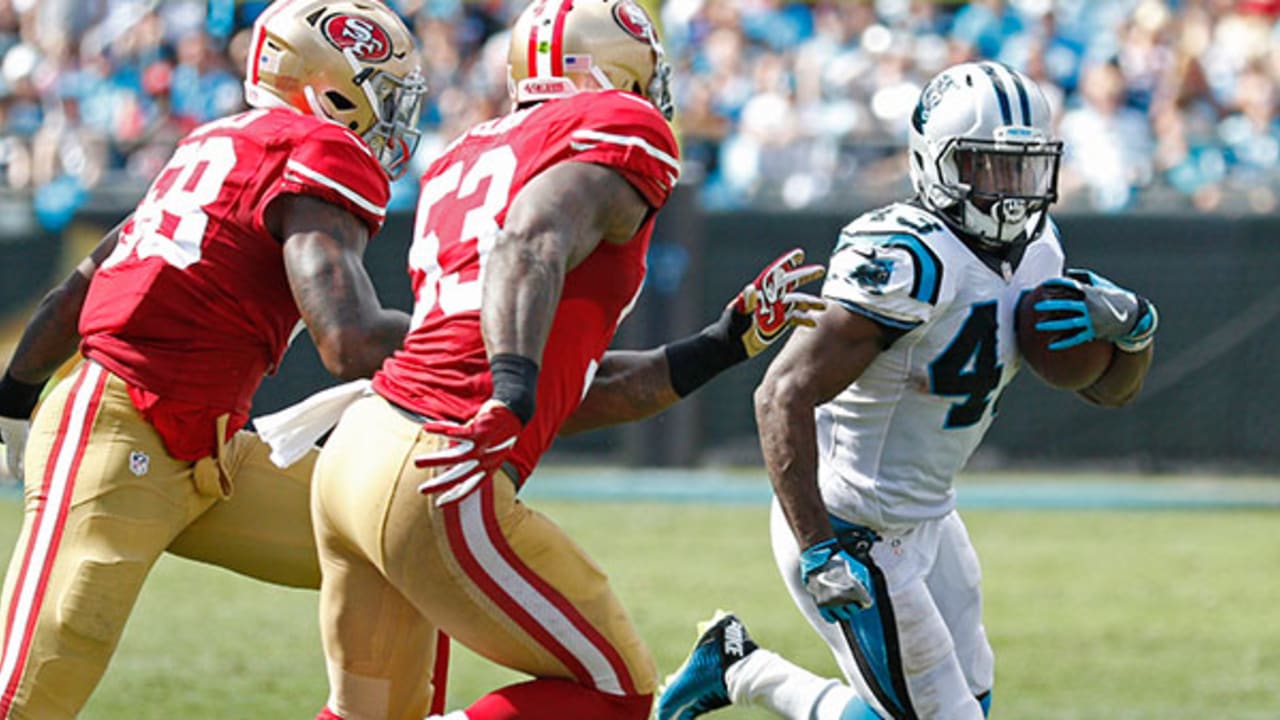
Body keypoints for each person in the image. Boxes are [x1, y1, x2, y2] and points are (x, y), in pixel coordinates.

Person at [303, 2, 823, 719]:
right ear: (610, 69)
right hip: (440, 462)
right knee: (616, 696)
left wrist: (724, 344)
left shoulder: (465, 152)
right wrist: (511, 392)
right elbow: (528, 241)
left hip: (359, 454)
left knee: (369, 710)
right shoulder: (616, 122)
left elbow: (582, 386)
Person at [657, 61, 1159, 720]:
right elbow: (780, 394)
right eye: (985, 166)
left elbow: (1111, 394)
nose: (1009, 191)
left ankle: (737, 666)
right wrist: (818, 550)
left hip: (928, 513)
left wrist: (1136, 332)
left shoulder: (1041, 251)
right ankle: (744, 672)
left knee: (962, 703)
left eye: (1022, 167)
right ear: (935, 162)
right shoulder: (906, 259)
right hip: (848, 521)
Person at [0, 1, 425, 717]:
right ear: (327, 88)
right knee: (31, 689)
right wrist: (467, 338)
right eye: (380, 91)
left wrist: (12, 397)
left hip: (208, 447)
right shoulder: (315, 152)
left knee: (412, 548)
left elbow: (80, 287)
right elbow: (347, 340)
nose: (393, 116)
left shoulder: (223, 143)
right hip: (123, 423)